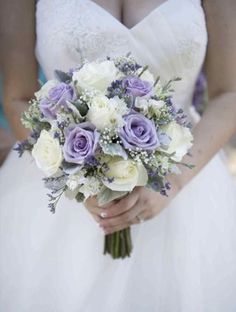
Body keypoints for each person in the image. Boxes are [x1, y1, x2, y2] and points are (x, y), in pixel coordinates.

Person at [0, 0, 236, 311]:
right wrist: (75, 180)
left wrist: (173, 180)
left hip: (188, 183)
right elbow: (18, 97)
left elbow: (228, 93)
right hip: (60, 190)